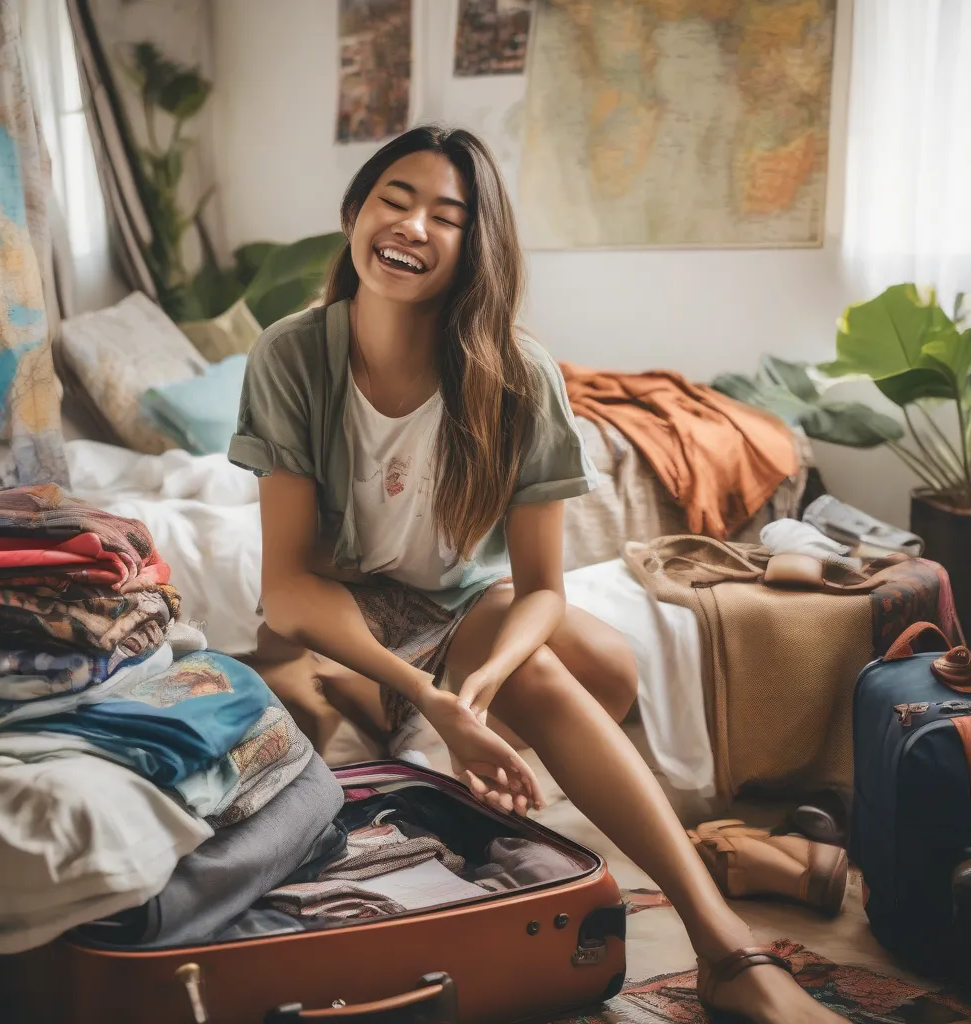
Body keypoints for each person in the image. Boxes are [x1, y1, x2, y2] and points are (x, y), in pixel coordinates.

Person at [229, 125, 844, 1024]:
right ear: (355, 212)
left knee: (585, 673)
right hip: (335, 617)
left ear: (475, 249)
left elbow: (542, 585)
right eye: (394, 200)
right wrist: (432, 697)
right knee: (308, 755)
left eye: (448, 216)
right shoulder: (291, 355)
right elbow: (288, 587)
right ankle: (722, 850)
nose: (413, 227)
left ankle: (727, 951)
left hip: (466, 607)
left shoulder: (516, 375)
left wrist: (474, 687)